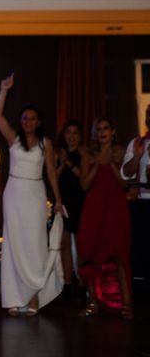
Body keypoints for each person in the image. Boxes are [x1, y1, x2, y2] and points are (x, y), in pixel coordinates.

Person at [0, 73, 64, 316]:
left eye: (33, 118)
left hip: (35, 194)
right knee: (13, 244)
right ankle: (14, 298)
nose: (28, 122)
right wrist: (4, 90)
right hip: (14, 194)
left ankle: (33, 296)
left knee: (35, 245)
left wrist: (58, 199)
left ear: (39, 121)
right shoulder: (13, 139)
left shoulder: (46, 143)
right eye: (25, 118)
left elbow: (52, 173)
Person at [77, 117, 133, 319]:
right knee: (90, 253)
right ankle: (93, 302)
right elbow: (84, 185)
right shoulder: (88, 155)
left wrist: (110, 165)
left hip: (115, 207)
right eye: (98, 129)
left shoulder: (121, 152)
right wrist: (96, 165)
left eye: (106, 128)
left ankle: (127, 305)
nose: (102, 132)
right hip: (94, 207)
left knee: (119, 255)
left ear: (113, 131)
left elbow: (125, 185)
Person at [55, 120, 86, 298]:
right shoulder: (58, 153)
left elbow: (84, 179)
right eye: (68, 132)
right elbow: (53, 178)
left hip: (80, 201)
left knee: (81, 245)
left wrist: (69, 163)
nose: (71, 136)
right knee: (63, 244)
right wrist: (61, 162)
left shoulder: (84, 154)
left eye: (75, 133)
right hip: (63, 201)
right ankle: (67, 282)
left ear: (80, 136)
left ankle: (82, 283)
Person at [121, 103, 150, 199]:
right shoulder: (137, 143)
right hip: (143, 200)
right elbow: (126, 174)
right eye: (148, 114)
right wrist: (136, 157)